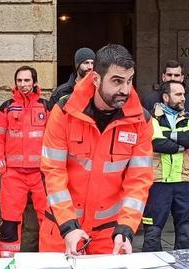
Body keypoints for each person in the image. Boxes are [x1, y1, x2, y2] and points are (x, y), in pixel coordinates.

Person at [40, 44, 154, 255]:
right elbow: (53, 172)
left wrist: (126, 229)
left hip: (110, 236)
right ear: (96, 79)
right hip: (60, 230)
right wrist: (69, 227)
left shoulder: (141, 121)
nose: (125, 90)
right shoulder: (64, 112)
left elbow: (139, 180)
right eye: (117, 81)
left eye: (129, 81)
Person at [0, 65, 49, 257]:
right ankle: (6, 261)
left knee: (48, 217)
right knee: (10, 219)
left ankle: (50, 257)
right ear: (15, 83)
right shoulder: (6, 107)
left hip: (41, 174)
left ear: (34, 82)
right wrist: (2, 167)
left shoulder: (46, 107)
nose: (23, 84)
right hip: (13, 174)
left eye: (27, 80)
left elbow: (55, 138)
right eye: (20, 80)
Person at [142, 80, 189, 252]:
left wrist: (169, 136)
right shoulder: (151, 117)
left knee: (185, 229)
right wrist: (182, 145)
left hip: (182, 180)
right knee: (153, 229)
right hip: (158, 181)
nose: (183, 98)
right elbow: (157, 143)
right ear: (166, 97)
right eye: (178, 94)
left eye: (183, 94)